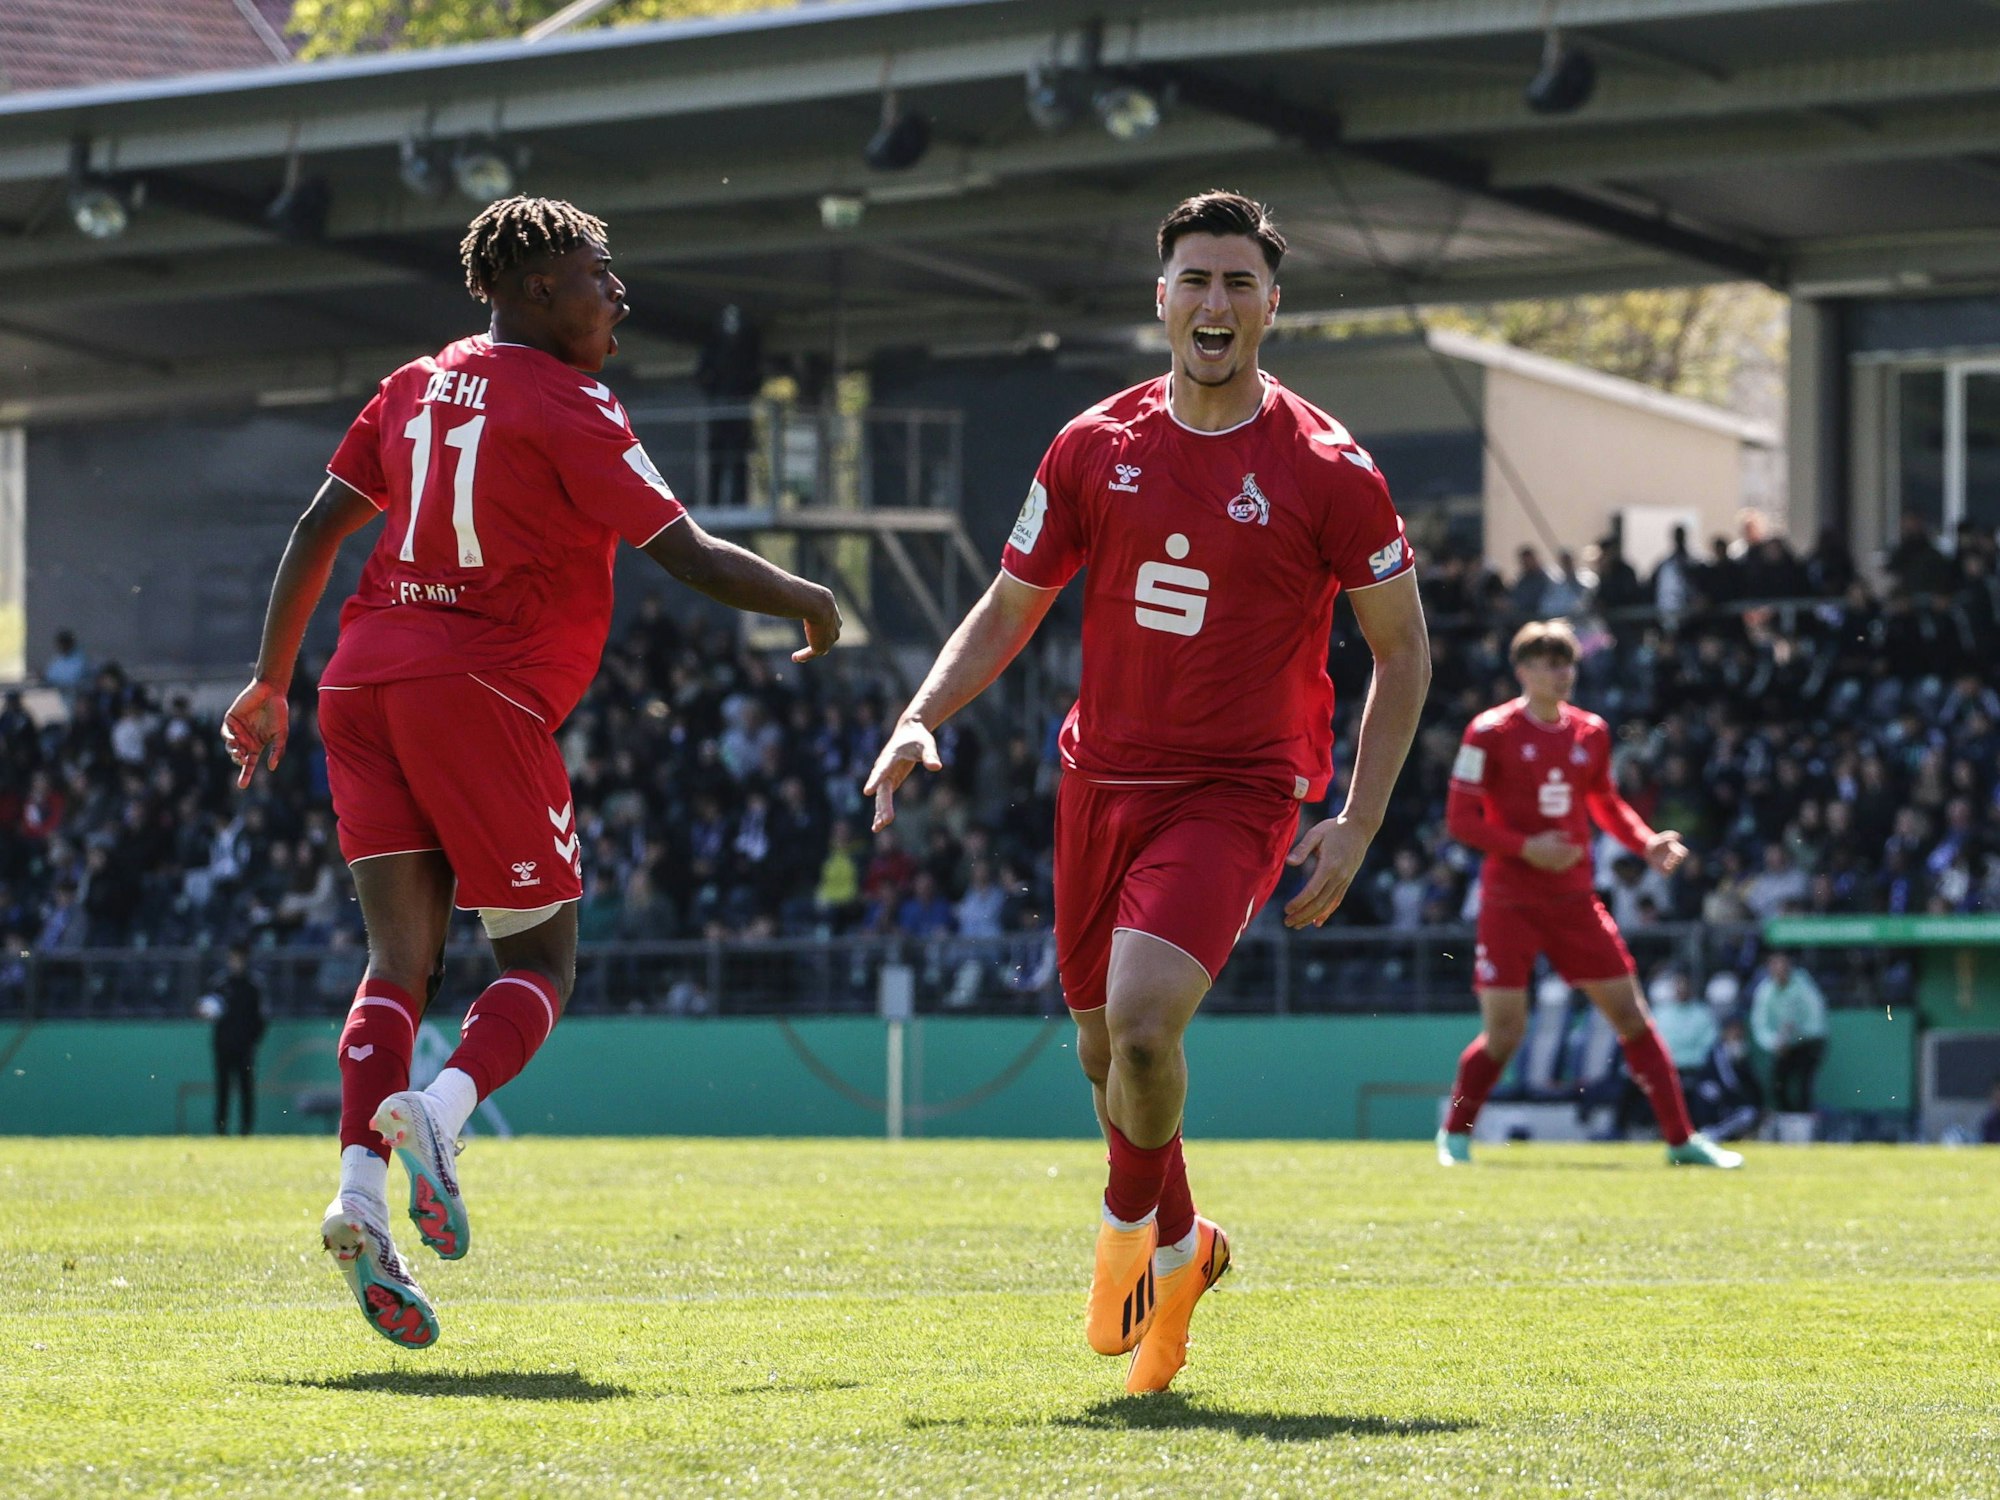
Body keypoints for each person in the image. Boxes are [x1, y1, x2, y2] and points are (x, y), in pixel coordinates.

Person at [222, 196, 841, 1349]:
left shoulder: (412, 385)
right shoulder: (573, 403)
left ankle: (359, 1196)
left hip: (358, 684)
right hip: (479, 689)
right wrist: (807, 593)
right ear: (534, 288)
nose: (617, 294)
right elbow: (687, 553)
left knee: (394, 964)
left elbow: (317, 530)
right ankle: (442, 1113)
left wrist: (269, 682)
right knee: (542, 958)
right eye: (598, 273)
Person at [863, 191, 1430, 1393]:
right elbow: (1010, 605)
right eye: (1194, 281)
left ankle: (1123, 1245)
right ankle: (1186, 1245)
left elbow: (1403, 651)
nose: (1213, 304)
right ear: (1158, 297)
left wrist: (1361, 820)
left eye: (1237, 284)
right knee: (1100, 1061)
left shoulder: (1328, 470)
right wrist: (921, 713)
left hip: (1237, 789)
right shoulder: (1090, 446)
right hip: (1097, 781)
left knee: (1139, 1027)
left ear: (1270, 306)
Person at [1438, 619, 1741, 1169]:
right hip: (1509, 903)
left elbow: (1604, 801)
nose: (1563, 673)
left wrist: (1645, 842)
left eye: (1569, 663)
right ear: (1522, 670)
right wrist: (1529, 847)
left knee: (1631, 1015)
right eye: (1551, 664)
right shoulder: (1489, 731)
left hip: (1575, 901)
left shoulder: (1591, 732)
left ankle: (1680, 1141)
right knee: (1504, 1033)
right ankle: (1455, 1133)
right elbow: (1460, 820)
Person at [1749, 951, 1829, 1114]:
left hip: (1808, 1042)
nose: (1779, 970)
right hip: (1783, 1045)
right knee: (1777, 1084)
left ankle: (1804, 1121)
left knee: (1803, 1086)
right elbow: (1760, 1026)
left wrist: (1795, 1034)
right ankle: (1787, 1120)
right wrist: (1776, 1043)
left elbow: (1816, 1018)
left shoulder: (1803, 985)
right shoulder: (1765, 992)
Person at [207, 943, 267, 1136]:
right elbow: (209, 1009)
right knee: (222, 1088)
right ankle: (221, 1129)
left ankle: (245, 1129)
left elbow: (261, 1018)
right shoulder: (219, 984)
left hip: (245, 1047)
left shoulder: (253, 986)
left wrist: (252, 1041)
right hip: (223, 1046)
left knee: (245, 1088)